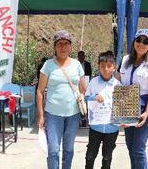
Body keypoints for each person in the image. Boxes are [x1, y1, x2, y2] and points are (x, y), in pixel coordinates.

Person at [36, 30, 86, 169]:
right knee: (53, 150)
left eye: (66, 43)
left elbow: (83, 89)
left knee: (68, 149)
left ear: (70, 47)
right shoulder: (48, 65)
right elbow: (40, 92)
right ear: (55, 47)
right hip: (53, 115)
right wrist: (41, 116)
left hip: (73, 115)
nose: (63, 47)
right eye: (59, 44)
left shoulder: (77, 65)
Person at [117, 28, 148, 168]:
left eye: (145, 41)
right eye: (138, 40)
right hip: (127, 105)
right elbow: (117, 81)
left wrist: (146, 113)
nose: (141, 44)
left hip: (144, 108)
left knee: (138, 149)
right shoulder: (124, 60)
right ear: (134, 42)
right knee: (130, 147)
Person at [84, 51, 121, 169]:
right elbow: (86, 97)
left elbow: (123, 106)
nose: (105, 69)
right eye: (102, 66)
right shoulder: (93, 82)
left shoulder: (118, 85)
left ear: (114, 67)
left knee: (107, 157)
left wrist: (126, 119)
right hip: (96, 127)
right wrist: (94, 97)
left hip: (112, 128)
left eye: (109, 66)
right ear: (98, 67)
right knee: (90, 155)